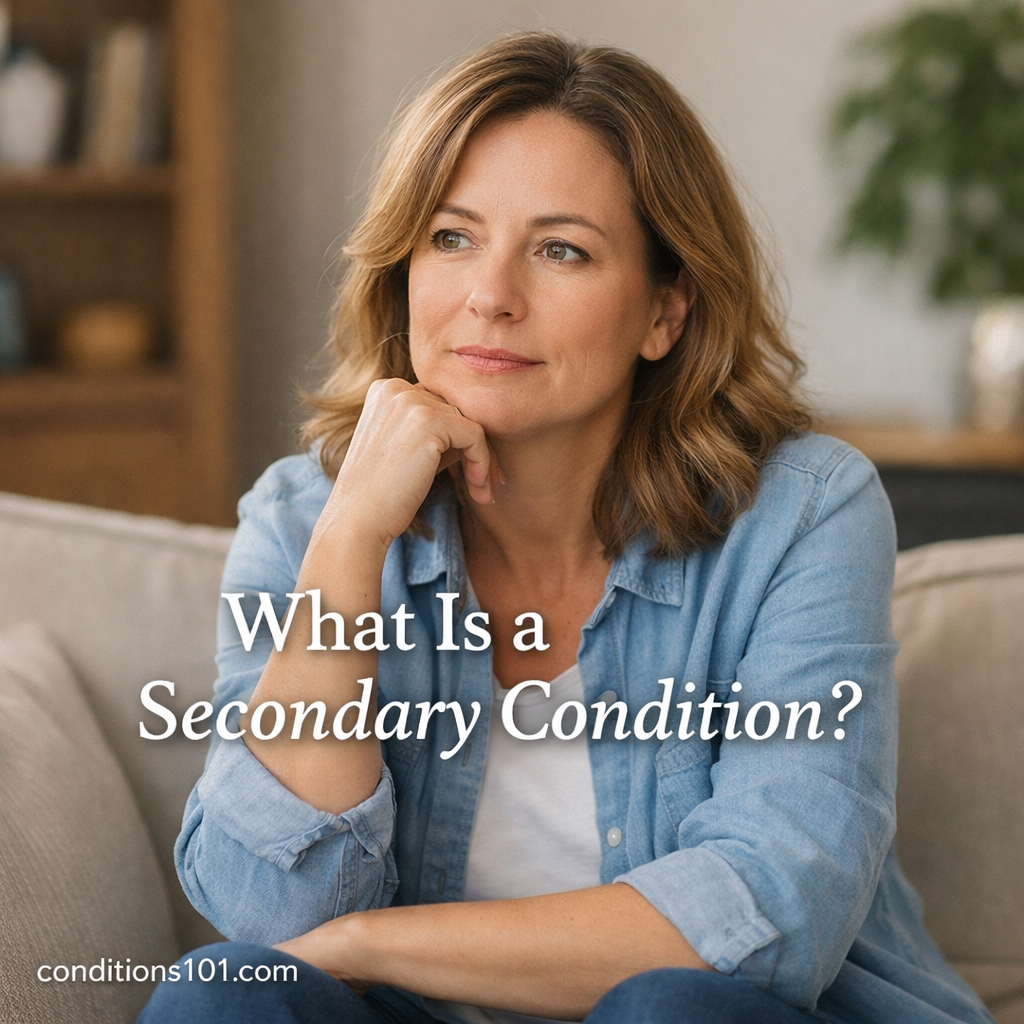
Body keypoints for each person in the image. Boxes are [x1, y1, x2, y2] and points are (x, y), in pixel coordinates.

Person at [140, 32, 994, 1024]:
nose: (489, 296)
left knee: (671, 1011)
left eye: (561, 250)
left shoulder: (801, 512)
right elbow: (270, 913)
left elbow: (767, 918)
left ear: (663, 313)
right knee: (222, 1000)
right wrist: (350, 538)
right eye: (450, 238)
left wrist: (367, 943)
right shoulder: (304, 519)